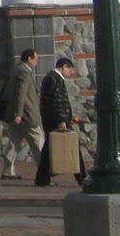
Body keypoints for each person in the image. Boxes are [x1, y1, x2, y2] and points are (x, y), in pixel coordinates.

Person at [36, 56, 87, 187]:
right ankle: (82, 177)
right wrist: (61, 120)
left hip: (50, 119)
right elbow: (58, 101)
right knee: (73, 147)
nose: (71, 73)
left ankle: (42, 178)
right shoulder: (55, 79)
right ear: (64, 67)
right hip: (56, 120)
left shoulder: (52, 78)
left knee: (48, 149)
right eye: (70, 70)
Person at [2, 47, 44, 180]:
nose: (37, 62)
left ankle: (8, 170)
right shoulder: (24, 72)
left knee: (14, 143)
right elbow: (21, 94)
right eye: (35, 59)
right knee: (38, 143)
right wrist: (18, 114)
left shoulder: (16, 70)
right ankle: (44, 172)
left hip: (15, 114)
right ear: (29, 58)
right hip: (26, 115)